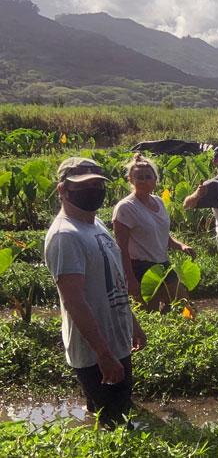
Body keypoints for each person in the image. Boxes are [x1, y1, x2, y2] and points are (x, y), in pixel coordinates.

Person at [44, 157, 146, 428]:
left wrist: (132, 322)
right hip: (95, 352)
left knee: (114, 414)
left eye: (97, 185)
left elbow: (113, 281)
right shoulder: (66, 235)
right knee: (116, 425)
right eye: (83, 186)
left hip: (116, 339)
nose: (93, 191)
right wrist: (103, 354)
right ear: (62, 190)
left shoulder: (95, 224)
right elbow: (74, 300)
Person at [112, 153, 196, 313]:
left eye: (148, 177)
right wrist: (130, 279)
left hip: (162, 264)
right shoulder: (125, 208)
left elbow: (164, 235)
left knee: (185, 309)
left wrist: (181, 246)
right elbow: (120, 247)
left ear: (156, 179)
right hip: (140, 268)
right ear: (131, 180)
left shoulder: (158, 201)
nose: (144, 181)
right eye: (140, 177)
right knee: (149, 314)